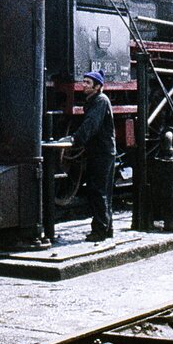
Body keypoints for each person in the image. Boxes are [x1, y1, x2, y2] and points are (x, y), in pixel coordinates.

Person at [71, 69, 116, 242]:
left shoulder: (100, 101)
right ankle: (106, 227)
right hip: (101, 151)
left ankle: (99, 230)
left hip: (101, 152)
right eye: (83, 81)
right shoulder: (95, 101)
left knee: (98, 190)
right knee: (103, 191)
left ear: (97, 87)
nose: (83, 85)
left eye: (88, 82)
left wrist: (76, 139)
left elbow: (91, 124)